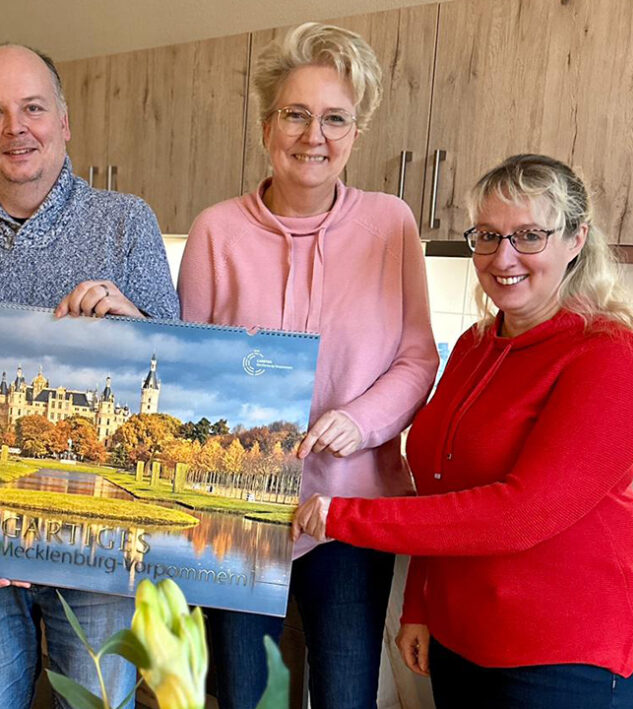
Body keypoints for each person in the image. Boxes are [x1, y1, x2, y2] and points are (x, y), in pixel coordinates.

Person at [294, 154, 633, 708]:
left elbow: (521, 513)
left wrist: (346, 515)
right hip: (463, 640)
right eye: (487, 235)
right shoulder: (477, 346)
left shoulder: (609, 354)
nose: (503, 257)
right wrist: (421, 609)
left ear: (576, 239)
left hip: (562, 656)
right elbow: (441, 484)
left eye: (529, 236)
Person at [0, 43, 179, 709]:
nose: (14, 129)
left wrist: (128, 317)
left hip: (102, 555)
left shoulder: (126, 222)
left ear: (64, 121)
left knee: (100, 702)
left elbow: (174, 360)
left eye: (32, 108)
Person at [177, 22, 438, 709]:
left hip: (353, 511)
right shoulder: (215, 231)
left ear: (356, 132)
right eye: (295, 114)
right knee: (242, 695)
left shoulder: (391, 225)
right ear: (267, 124)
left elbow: (417, 356)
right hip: (237, 513)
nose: (312, 135)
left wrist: (361, 419)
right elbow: (186, 370)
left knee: (345, 696)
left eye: (334, 118)